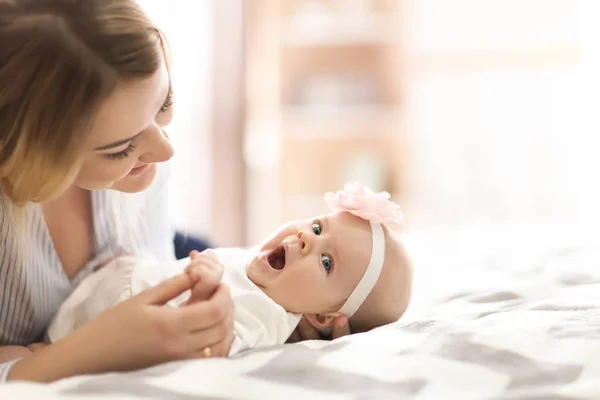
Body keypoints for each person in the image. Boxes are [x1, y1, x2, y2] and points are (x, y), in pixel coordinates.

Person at [0, 0, 349, 383]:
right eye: (120, 148)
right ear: (29, 149)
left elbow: (156, 279)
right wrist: (90, 350)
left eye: (163, 103)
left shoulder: (143, 160)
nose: (166, 150)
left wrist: (279, 318)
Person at [46, 184, 413, 355]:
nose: (307, 240)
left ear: (322, 316)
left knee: (30, 358)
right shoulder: (267, 271)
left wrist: (205, 293)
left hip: (103, 330)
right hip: (104, 290)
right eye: (318, 227)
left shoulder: (267, 316)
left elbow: (214, 343)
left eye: (327, 262)